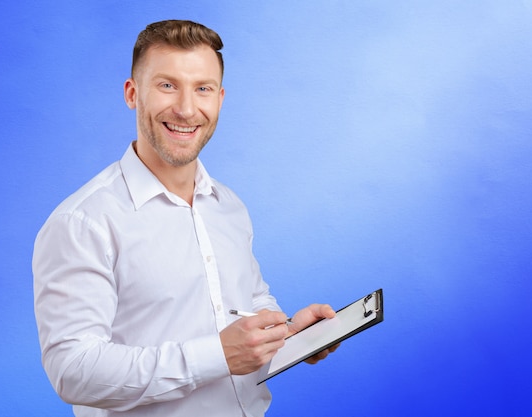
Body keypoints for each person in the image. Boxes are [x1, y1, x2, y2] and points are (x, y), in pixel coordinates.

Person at [32, 19, 337, 417]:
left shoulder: (228, 206)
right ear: (132, 93)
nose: (186, 109)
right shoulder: (83, 222)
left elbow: (249, 308)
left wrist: (292, 335)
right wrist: (217, 355)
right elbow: (72, 371)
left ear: (220, 99)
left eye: (203, 89)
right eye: (167, 85)